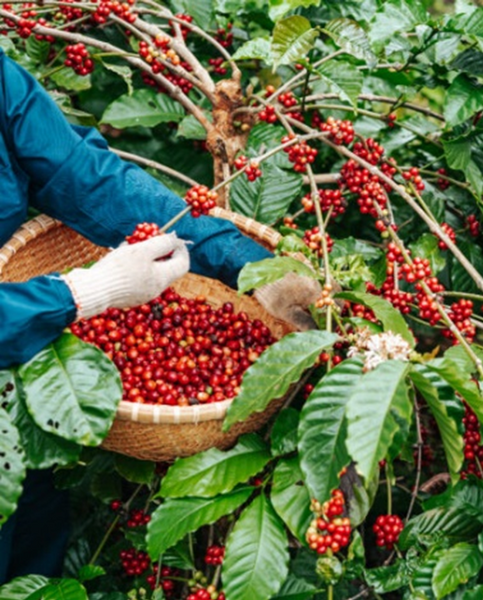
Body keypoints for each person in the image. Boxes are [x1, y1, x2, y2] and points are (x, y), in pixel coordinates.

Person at [0, 47, 319, 582]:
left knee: (31, 546)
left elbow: (84, 176)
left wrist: (251, 266)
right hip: (27, 321)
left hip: (18, 377)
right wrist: (82, 293)